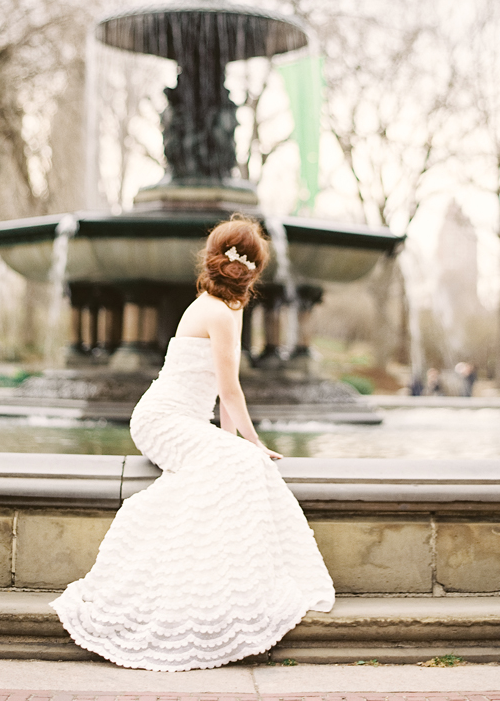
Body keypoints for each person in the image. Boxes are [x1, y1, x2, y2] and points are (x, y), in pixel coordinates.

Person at [52, 214, 334, 671]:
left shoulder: (218, 306)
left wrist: (235, 444)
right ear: (252, 270)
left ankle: (231, 579)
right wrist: (254, 442)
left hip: (184, 420)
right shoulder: (218, 312)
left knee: (241, 463)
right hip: (162, 419)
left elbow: (224, 403)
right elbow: (231, 391)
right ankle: (211, 584)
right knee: (246, 462)